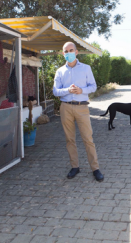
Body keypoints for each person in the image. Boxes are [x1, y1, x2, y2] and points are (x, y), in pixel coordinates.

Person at [53, 42, 104, 182]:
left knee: (88, 138)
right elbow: (55, 91)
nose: (68, 53)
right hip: (66, 107)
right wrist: (67, 90)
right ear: (63, 53)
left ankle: (95, 168)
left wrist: (82, 90)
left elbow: (93, 86)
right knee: (70, 139)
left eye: (71, 50)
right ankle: (75, 167)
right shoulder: (60, 71)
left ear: (76, 52)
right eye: (66, 51)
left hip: (82, 107)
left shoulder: (86, 69)